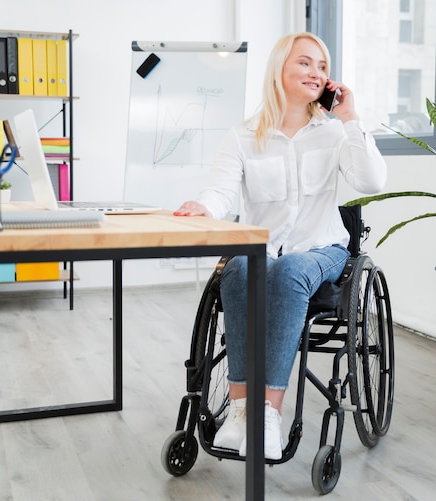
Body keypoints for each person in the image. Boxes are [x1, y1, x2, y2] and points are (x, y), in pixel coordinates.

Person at [174, 32, 386, 460]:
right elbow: (221, 193)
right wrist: (203, 206)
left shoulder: (333, 134)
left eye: (322, 67)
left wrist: (350, 117)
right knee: (237, 267)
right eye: (305, 63)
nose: (316, 73)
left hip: (321, 249)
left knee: (289, 272)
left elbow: (371, 182)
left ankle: (267, 416)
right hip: (263, 250)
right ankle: (239, 412)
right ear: (280, 70)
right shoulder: (243, 136)